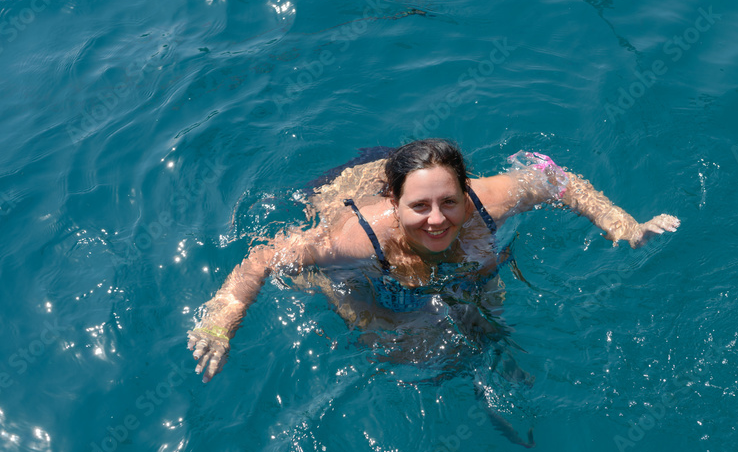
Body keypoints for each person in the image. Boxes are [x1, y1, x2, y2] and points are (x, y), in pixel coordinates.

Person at [188, 138, 679, 383]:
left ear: (466, 192)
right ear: (395, 202)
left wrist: (623, 225)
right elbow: (261, 260)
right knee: (405, 342)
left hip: (412, 203)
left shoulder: (491, 200)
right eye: (419, 206)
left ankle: (492, 352)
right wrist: (219, 325)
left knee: (485, 282)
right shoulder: (359, 239)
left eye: (449, 201)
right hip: (340, 208)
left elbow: (556, 181)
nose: (438, 219)